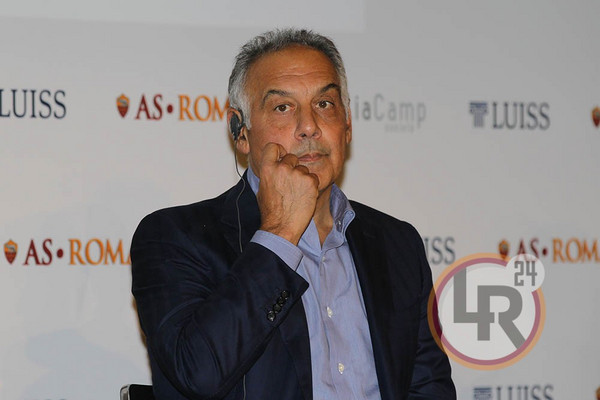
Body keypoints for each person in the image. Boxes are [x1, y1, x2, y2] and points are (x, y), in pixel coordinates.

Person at [131, 28, 456, 400]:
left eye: (325, 104)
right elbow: (197, 374)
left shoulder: (396, 242)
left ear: (347, 124)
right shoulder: (174, 238)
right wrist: (280, 233)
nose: (309, 127)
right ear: (240, 132)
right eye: (283, 107)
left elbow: (429, 387)